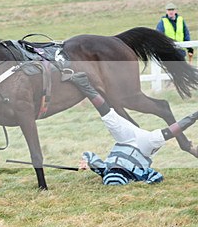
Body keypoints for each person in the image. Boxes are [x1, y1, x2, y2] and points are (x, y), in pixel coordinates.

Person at [69, 72, 198, 185]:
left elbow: (90, 156)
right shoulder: (138, 175)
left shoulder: (105, 169)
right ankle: (195, 115)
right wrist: (147, 182)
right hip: (144, 147)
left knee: (109, 117)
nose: (115, 168)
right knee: (167, 134)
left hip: (125, 140)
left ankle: (83, 84)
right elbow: (157, 177)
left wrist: (85, 162)